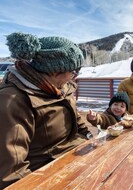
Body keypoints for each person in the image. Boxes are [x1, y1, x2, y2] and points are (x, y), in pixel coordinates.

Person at [0, 32, 92, 188]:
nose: (74, 77)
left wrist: (90, 137)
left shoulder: (63, 87)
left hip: (75, 156)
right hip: (47, 172)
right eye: (74, 71)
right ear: (55, 71)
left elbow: (76, 120)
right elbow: (12, 172)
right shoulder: (13, 101)